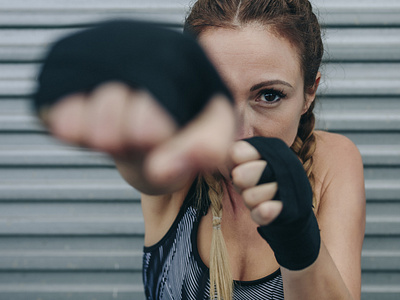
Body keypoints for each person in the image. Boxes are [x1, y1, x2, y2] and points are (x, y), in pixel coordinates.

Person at [34, 0, 366, 299]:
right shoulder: (180, 151)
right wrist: (127, 125)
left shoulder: (331, 161)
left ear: (310, 93)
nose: (240, 132)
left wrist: (299, 240)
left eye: (269, 96)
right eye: (216, 94)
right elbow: (148, 166)